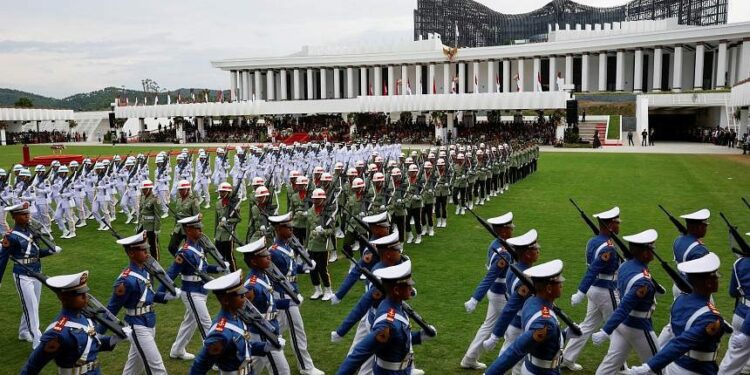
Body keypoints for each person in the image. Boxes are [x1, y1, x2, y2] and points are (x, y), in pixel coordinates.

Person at [628, 252, 727, 375]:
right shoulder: (711, 317)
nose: (718, 279)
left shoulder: (680, 301)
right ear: (708, 283)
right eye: (715, 277)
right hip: (697, 369)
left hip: (675, 365)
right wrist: (650, 366)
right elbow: (683, 342)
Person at [337, 259, 436, 375]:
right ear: (396, 290)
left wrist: (420, 336)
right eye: (408, 284)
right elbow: (358, 354)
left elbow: (397, 340)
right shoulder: (387, 323)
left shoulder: (396, 306)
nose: (411, 286)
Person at [103, 231, 181, 375]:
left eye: (147, 249)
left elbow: (147, 296)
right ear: (131, 253)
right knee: (157, 369)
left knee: (134, 367)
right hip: (136, 325)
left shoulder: (145, 270)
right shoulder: (125, 281)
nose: (147, 252)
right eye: (143, 250)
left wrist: (167, 296)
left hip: (149, 321)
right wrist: (96, 335)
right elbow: (111, 309)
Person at [20, 270, 125, 374]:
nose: (86, 297)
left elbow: (92, 341)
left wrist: (114, 339)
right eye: (80, 294)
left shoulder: (85, 317)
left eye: (85, 292)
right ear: (64, 298)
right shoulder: (56, 334)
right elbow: (32, 367)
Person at [592, 229, 660, 375]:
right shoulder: (643, 281)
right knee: (658, 368)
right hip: (639, 326)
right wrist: (605, 331)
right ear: (645, 252)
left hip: (622, 325)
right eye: (651, 249)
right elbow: (625, 306)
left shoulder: (625, 266)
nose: (653, 252)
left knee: (609, 365)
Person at [562, 207, 622, 371]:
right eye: (617, 223)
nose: (619, 226)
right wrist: (580, 292)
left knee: (588, 325)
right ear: (610, 225)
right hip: (606, 290)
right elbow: (594, 269)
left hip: (594, 289)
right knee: (618, 329)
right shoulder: (608, 247)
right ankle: (620, 367)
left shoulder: (593, 241)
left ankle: (567, 358)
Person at [162, 214, 228, 361]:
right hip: (191, 292)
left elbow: (203, 267)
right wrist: (160, 293)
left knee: (190, 322)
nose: (200, 231)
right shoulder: (184, 252)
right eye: (197, 229)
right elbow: (171, 273)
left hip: (201, 290)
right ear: (188, 230)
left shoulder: (199, 246)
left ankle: (177, 350)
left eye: (200, 228)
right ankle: (214, 358)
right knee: (206, 323)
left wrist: (218, 268)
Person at [484, 259, 567, 375]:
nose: (562, 285)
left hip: (531, 366)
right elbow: (515, 351)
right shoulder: (545, 320)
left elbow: (548, 340)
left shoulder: (532, 301)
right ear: (548, 288)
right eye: (559, 283)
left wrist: (566, 333)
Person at [268, 212, 325, 375]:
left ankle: (257, 352)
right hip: (285, 295)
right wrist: (290, 297)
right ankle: (306, 366)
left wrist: (305, 267)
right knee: (297, 331)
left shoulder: (287, 245)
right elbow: (276, 278)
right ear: (279, 229)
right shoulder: (274, 252)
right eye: (288, 227)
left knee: (276, 329)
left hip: (291, 292)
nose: (292, 229)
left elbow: (290, 270)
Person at [0, 201, 62, 349]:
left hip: (36, 271)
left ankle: (23, 332)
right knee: (32, 306)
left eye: (27, 213)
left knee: (33, 304)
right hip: (22, 274)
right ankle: (37, 339)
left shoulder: (31, 231)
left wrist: (50, 251)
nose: (28, 216)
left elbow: (35, 253)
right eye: (23, 214)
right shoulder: (11, 236)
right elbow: (3, 258)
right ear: (14, 217)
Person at [189, 270, 274, 374]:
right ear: (226, 300)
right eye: (241, 296)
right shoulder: (219, 333)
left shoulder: (237, 316)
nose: (245, 299)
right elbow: (200, 365)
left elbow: (244, 346)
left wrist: (266, 346)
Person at [482, 229, 541, 375]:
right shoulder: (525, 278)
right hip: (520, 324)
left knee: (510, 360)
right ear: (527, 253)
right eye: (535, 249)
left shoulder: (516, 269)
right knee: (509, 360)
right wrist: (495, 336)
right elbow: (510, 307)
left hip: (516, 324)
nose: (538, 251)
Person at [460, 212, 515, 370]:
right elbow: (490, 277)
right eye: (510, 228)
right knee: (513, 330)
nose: (512, 230)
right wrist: (475, 299)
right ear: (503, 231)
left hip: (496, 293)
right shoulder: (502, 253)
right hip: (501, 294)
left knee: (488, 326)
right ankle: (504, 367)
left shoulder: (496, 244)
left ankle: (469, 358)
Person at [238, 237, 292, 375]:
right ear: (254, 261)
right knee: (283, 370)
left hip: (270, 327)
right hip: (261, 332)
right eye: (264, 256)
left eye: (267, 254)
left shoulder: (264, 275)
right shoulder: (251, 286)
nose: (269, 257)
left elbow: (270, 304)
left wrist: (289, 303)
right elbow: (242, 311)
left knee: (254, 365)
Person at [719, 237, 750, 374]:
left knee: (732, 358)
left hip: (740, 314)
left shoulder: (739, 263)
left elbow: (733, 292)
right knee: (730, 367)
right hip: (747, 322)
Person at [306, 188, 335, 301]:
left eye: (319, 199)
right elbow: (308, 229)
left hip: (323, 245)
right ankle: (317, 290)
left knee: (322, 269)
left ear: (323, 200)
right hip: (312, 245)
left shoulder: (327, 213)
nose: (316, 201)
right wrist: (306, 245)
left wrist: (323, 231)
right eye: (315, 199)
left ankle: (328, 290)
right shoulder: (309, 212)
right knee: (312, 269)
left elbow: (332, 230)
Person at [167, 180, 200, 257]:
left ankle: (192, 264)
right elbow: (177, 216)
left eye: (182, 189)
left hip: (189, 228)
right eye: (179, 190)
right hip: (179, 228)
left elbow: (197, 217)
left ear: (188, 189)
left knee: (190, 249)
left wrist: (197, 231)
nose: (180, 191)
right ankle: (182, 260)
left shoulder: (193, 200)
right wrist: (173, 229)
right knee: (171, 247)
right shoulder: (178, 200)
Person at [215, 181, 240, 272]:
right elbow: (216, 220)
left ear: (228, 192)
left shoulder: (233, 203)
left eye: (223, 192)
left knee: (230, 256)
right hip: (219, 235)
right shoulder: (218, 203)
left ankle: (234, 272)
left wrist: (228, 221)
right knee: (220, 257)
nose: (221, 193)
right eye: (220, 191)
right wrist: (215, 235)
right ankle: (225, 272)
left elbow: (238, 219)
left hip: (229, 234)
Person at [137, 179, 164, 260]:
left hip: (151, 226)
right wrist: (138, 224)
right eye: (143, 189)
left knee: (153, 245)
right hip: (142, 224)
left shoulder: (155, 199)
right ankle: (141, 258)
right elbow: (141, 211)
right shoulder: (142, 198)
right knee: (137, 242)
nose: (143, 191)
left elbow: (157, 215)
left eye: (145, 189)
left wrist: (157, 228)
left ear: (150, 189)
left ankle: (156, 261)